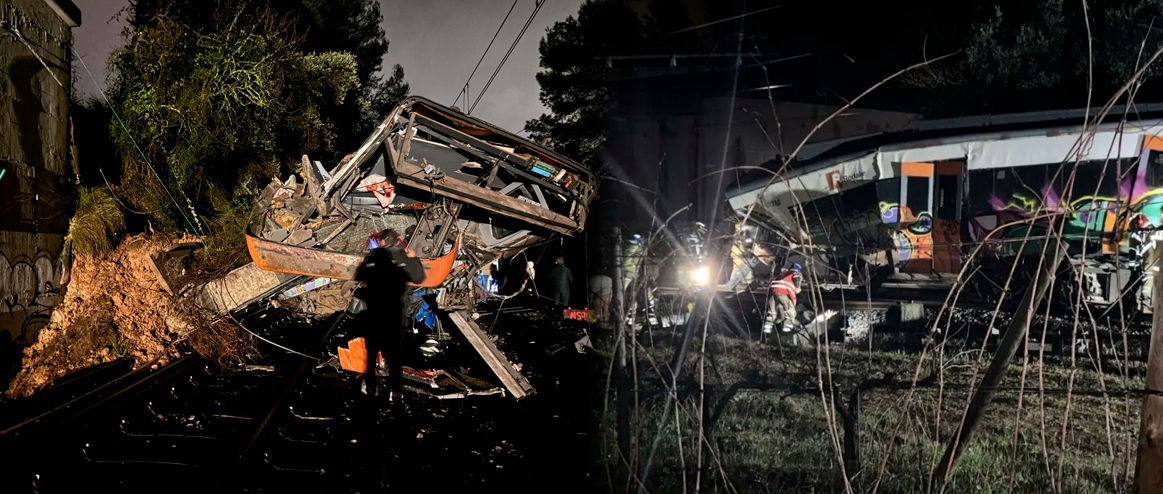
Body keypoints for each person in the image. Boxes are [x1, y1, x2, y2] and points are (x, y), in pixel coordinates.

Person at [352, 228, 425, 400]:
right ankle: (396, 389)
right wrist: (414, 259)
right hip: (394, 314)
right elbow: (418, 278)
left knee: (371, 352)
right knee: (394, 353)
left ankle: (370, 385)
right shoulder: (399, 269)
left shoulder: (371, 268)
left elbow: (359, 278)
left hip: (375, 314)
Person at [763, 262, 802, 335]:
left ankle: (767, 327)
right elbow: (797, 285)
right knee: (789, 310)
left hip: (773, 292)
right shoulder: (796, 273)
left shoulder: (782, 273)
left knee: (772, 311)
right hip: (783, 292)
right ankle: (787, 326)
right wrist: (798, 288)